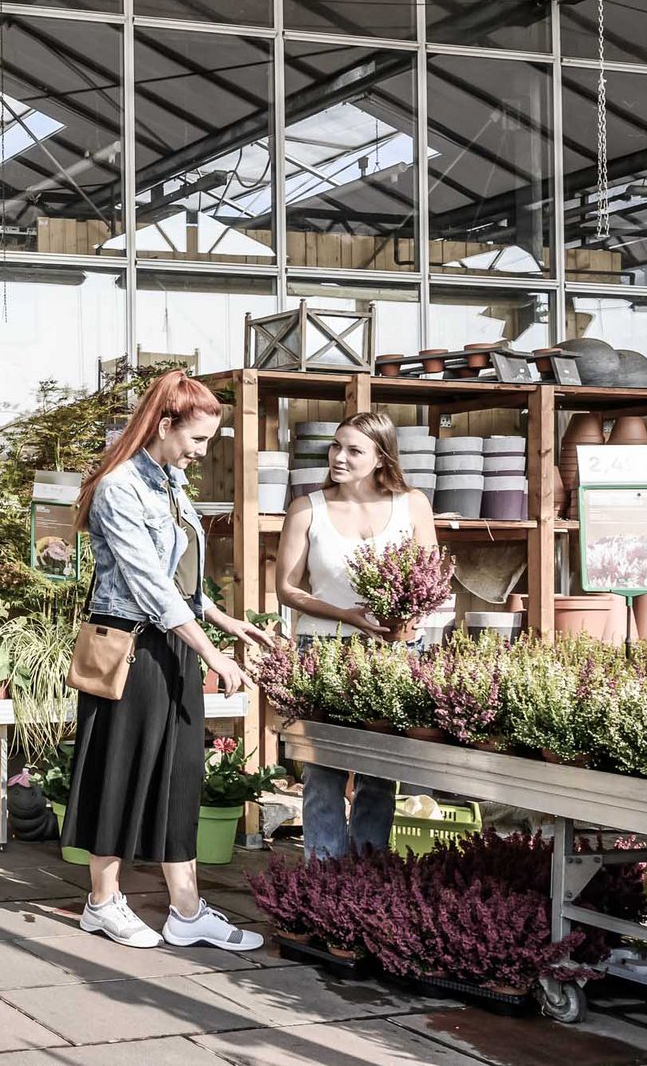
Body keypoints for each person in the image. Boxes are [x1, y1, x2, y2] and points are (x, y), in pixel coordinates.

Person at [63, 369, 270, 952]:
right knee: (117, 770)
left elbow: (181, 578)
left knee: (181, 777)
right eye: (197, 440)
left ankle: (185, 910)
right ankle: (102, 903)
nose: (201, 453)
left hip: (173, 644)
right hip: (129, 648)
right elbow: (149, 585)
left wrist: (225, 621)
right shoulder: (120, 487)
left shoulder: (171, 482)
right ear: (164, 424)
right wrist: (212, 653)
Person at [275, 411, 438, 860]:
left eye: (353, 450)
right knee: (322, 769)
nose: (339, 458)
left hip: (394, 651)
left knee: (380, 770)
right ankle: (323, 877)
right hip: (323, 649)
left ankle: (367, 875)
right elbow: (287, 589)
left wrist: (405, 624)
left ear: (382, 458)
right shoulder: (308, 508)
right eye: (335, 446)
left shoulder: (413, 505)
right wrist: (348, 616)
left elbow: (427, 577)